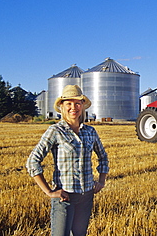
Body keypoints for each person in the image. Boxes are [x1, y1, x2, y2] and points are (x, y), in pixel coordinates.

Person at [26, 85, 109, 236]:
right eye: (68, 103)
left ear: (83, 105)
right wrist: (49, 192)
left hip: (86, 196)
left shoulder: (90, 132)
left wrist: (101, 181)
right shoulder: (55, 131)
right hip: (65, 197)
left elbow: (103, 156)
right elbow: (33, 161)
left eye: (77, 103)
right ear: (62, 106)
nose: (73, 107)